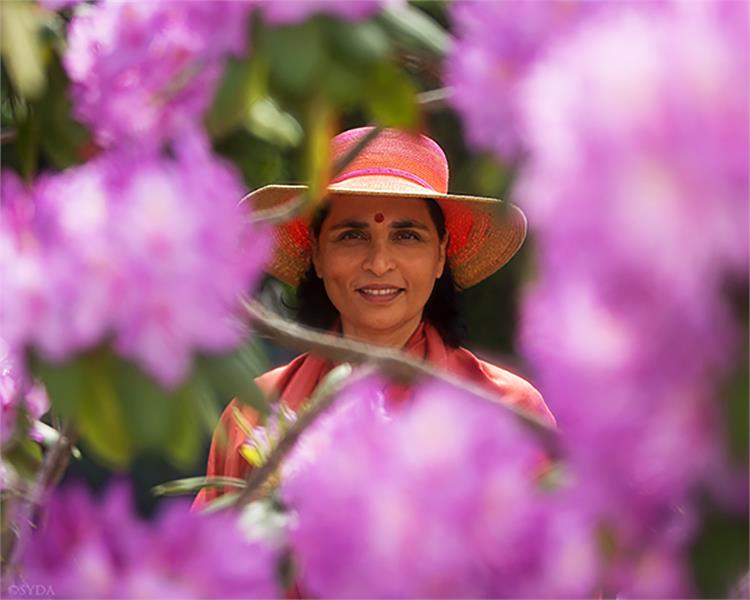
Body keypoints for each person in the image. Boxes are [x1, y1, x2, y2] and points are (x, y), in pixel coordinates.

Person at [192, 127, 555, 510]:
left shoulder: (508, 410)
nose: (379, 263)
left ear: (441, 254)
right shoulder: (255, 414)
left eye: (407, 236)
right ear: (317, 254)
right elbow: (211, 559)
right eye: (351, 236)